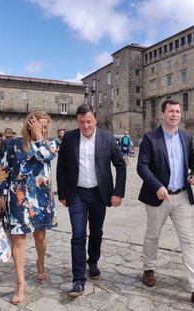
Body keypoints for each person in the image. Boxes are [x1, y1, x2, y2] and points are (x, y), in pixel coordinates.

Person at [137, 99, 194, 304]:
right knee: (153, 235)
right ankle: (149, 269)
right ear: (162, 114)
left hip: (182, 195)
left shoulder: (185, 136)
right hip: (159, 197)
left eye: (178, 111)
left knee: (189, 240)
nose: (175, 115)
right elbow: (142, 166)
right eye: (171, 111)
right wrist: (157, 186)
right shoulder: (150, 138)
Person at [57, 104, 126, 297]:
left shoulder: (107, 138)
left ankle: (93, 261)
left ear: (95, 119)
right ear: (77, 121)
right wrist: (62, 193)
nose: (85, 126)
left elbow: (120, 165)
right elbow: (61, 166)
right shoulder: (70, 138)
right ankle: (78, 280)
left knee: (96, 232)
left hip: (99, 194)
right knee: (78, 235)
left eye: (88, 121)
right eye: (81, 122)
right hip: (77, 194)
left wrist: (118, 192)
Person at [0, 111, 58, 305]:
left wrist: (40, 137)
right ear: (29, 124)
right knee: (19, 241)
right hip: (18, 198)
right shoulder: (14, 144)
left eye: (45, 127)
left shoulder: (50, 144)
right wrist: (2, 195)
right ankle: (20, 284)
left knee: (40, 237)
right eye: (39, 125)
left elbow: (47, 157)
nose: (43, 129)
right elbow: (4, 170)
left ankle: (40, 262)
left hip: (41, 200)